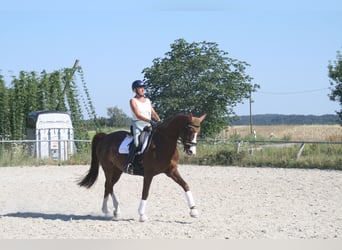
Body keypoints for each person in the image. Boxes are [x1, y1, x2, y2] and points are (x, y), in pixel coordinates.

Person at [125, 80, 161, 174]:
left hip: (149, 125)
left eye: (143, 87)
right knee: (137, 143)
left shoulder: (148, 101)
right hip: (138, 125)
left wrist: (160, 121)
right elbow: (137, 114)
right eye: (140, 88)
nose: (142, 89)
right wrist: (149, 121)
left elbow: (153, 113)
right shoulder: (133, 101)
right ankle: (129, 164)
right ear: (135, 90)